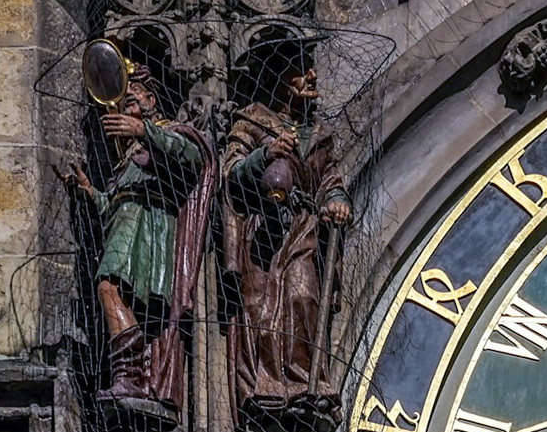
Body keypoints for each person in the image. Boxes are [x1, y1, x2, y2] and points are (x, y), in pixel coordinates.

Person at [63, 66, 216, 410]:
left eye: (134, 94)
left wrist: (143, 130)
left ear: (151, 99)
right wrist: (91, 193)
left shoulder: (168, 132)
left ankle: (129, 377)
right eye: (124, 97)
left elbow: (193, 158)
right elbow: (114, 205)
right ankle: (130, 377)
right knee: (113, 293)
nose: (127, 98)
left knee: (107, 288)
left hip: (148, 228)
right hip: (126, 225)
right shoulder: (128, 157)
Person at [222, 31, 351, 411]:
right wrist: (263, 156)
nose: (312, 76)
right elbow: (230, 172)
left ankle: (302, 381)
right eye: (301, 68)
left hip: (303, 230)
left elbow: (330, 180)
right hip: (263, 232)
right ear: (279, 76)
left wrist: (336, 202)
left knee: (302, 296)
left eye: (311, 68)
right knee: (262, 310)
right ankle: (265, 385)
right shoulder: (252, 121)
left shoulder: (318, 136)